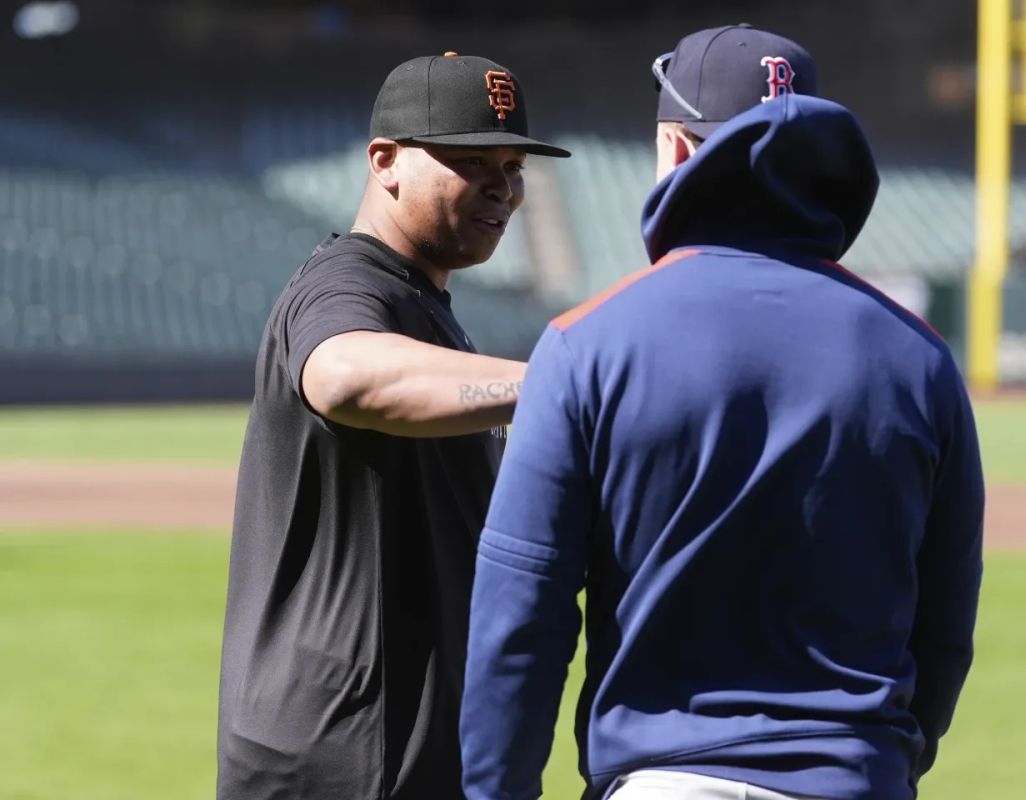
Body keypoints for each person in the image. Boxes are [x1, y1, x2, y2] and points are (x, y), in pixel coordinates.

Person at [459, 25, 984, 800]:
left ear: (676, 150)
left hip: (659, 778)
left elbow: (521, 619)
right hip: (853, 777)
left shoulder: (586, 344)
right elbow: (942, 627)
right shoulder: (921, 359)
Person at [216, 52, 569, 800]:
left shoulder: (424, 304)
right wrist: (564, 385)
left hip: (395, 748)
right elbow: (345, 374)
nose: (502, 187)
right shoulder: (348, 283)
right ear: (385, 161)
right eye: (471, 161)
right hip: (347, 759)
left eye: (513, 165)